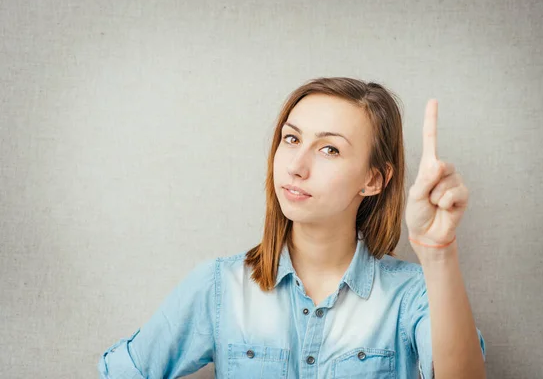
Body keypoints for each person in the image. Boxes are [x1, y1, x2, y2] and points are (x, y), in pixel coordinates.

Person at [98, 77, 486, 379]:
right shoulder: (220, 288)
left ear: (373, 179)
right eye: (291, 138)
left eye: (329, 149)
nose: (296, 165)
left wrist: (439, 254)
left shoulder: (412, 295)